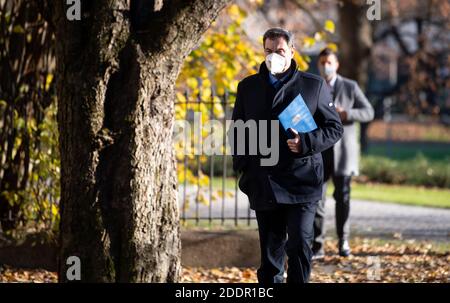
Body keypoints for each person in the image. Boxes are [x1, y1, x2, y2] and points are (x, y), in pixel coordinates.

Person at [229, 28, 343, 283]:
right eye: (268, 51)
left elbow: (334, 128)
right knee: (271, 256)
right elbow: (237, 131)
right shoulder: (248, 87)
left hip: (302, 180)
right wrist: (244, 168)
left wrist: (306, 142)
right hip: (264, 182)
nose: (273, 57)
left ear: (292, 52)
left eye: (279, 51)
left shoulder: (313, 85)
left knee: (300, 246)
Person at [312, 48, 374, 259]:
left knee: (343, 198)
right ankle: (317, 246)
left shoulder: (350, 86)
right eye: (321, 62)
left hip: (343, 152)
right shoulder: (314, 85)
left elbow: (368, 112)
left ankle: (343, 241)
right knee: (317, 199)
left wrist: (346, 113)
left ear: (336, 64)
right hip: (320, 151)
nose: (325, 66)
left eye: (328, 62)